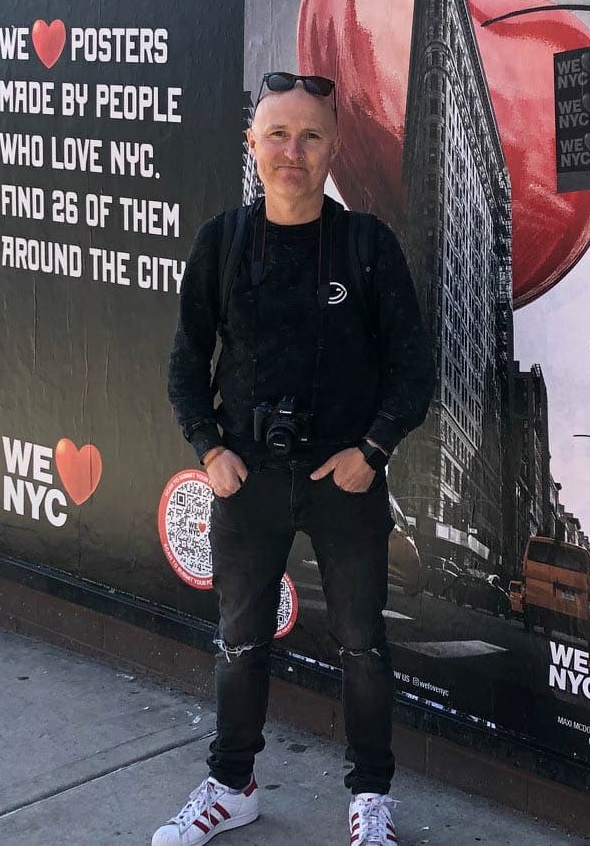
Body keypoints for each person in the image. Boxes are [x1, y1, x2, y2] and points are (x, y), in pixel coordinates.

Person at [159, 71, 432, 846]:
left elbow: (413, 370)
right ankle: (231, 783)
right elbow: (185, 363)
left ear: (333, 147)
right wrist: (208, 448)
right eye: (277, 134)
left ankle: (370, 797)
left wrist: (371, 450)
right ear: (253, 143)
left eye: (310, 135)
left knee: (362, 644)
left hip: (344, 482)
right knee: (240, 639)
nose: (293, 151)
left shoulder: (366, 247)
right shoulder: (222, 242)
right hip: (247, 480)